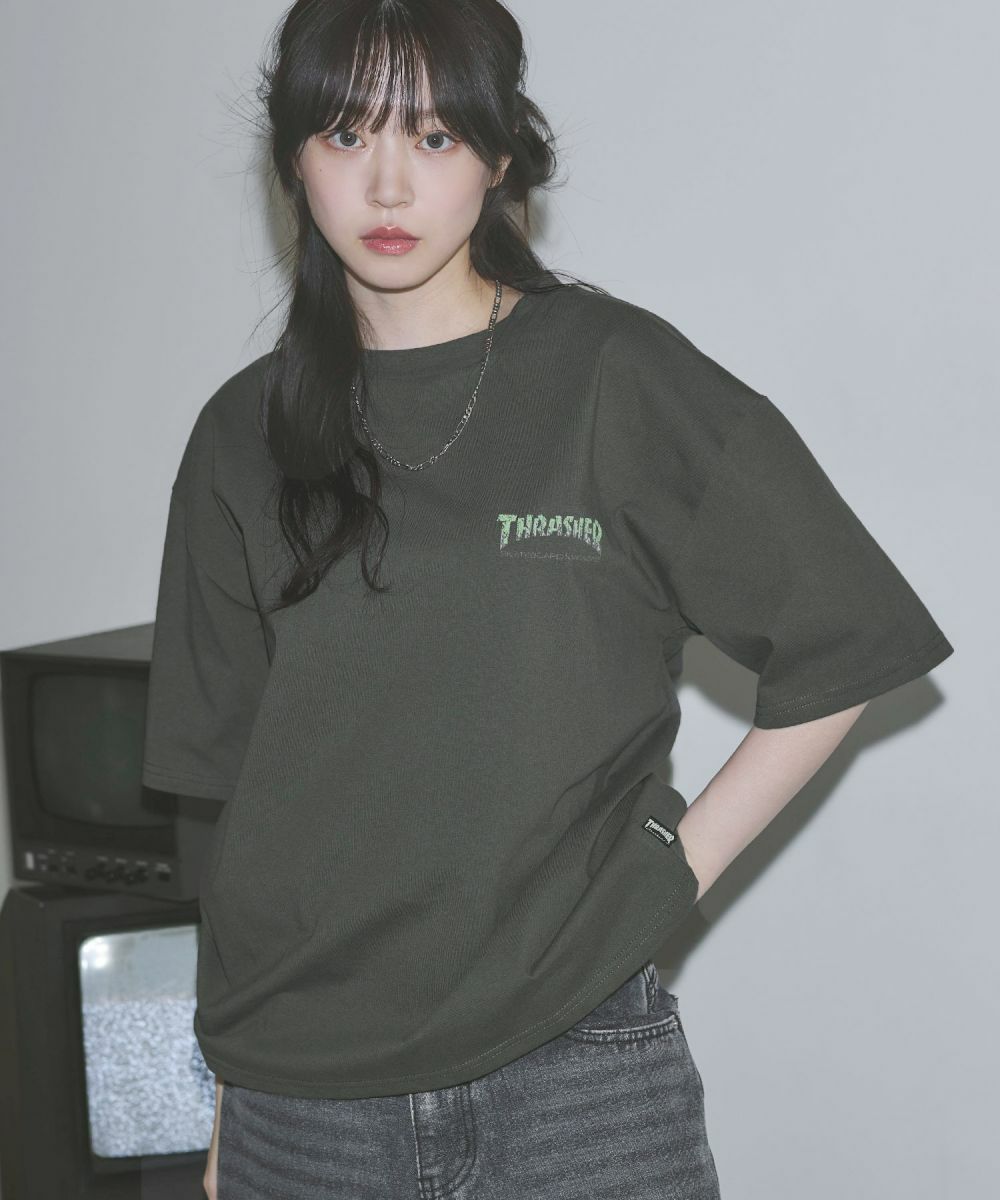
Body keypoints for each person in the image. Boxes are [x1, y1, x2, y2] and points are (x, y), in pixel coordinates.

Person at [140, 2, 954, 1197]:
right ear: (292, 157)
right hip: (298, 1109)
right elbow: (216, 794)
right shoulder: (239, 436)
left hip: (576, 1084)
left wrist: (667, 871)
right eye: (345, 133)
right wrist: (222, 1097)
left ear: (498, 155)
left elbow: (847, 638)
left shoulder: (613, 376)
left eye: (432, 137)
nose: (386, 184)